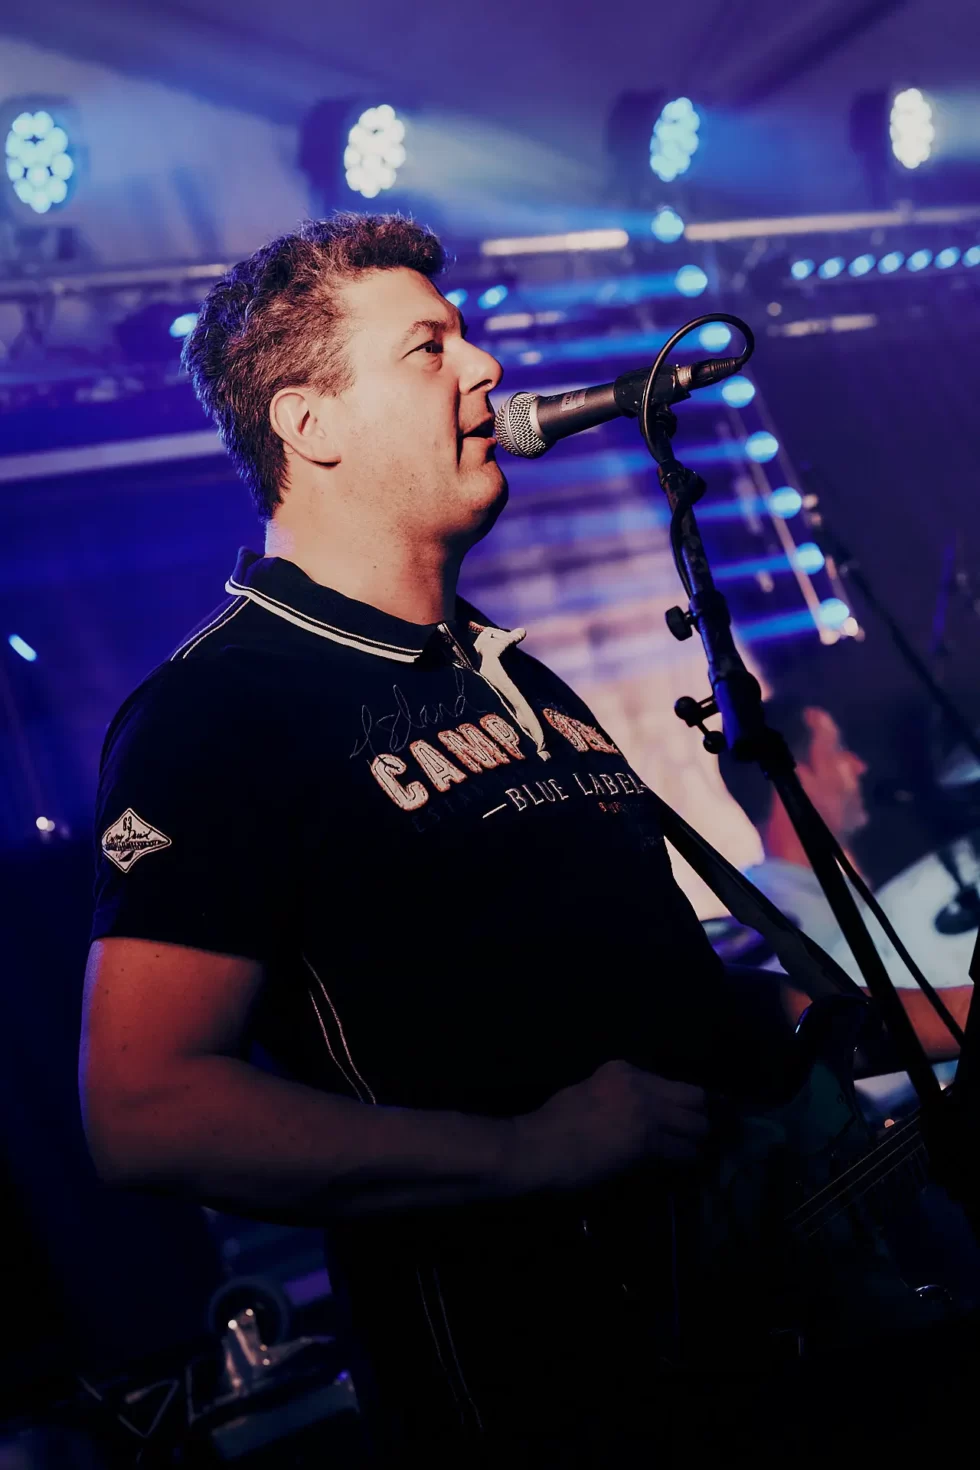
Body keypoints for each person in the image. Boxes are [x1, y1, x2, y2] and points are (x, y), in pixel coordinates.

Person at [718, 695, 973, 1109]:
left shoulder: (830, 892)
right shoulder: (767, 922)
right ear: (794, 776)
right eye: (837, 749)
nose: (859, 765)